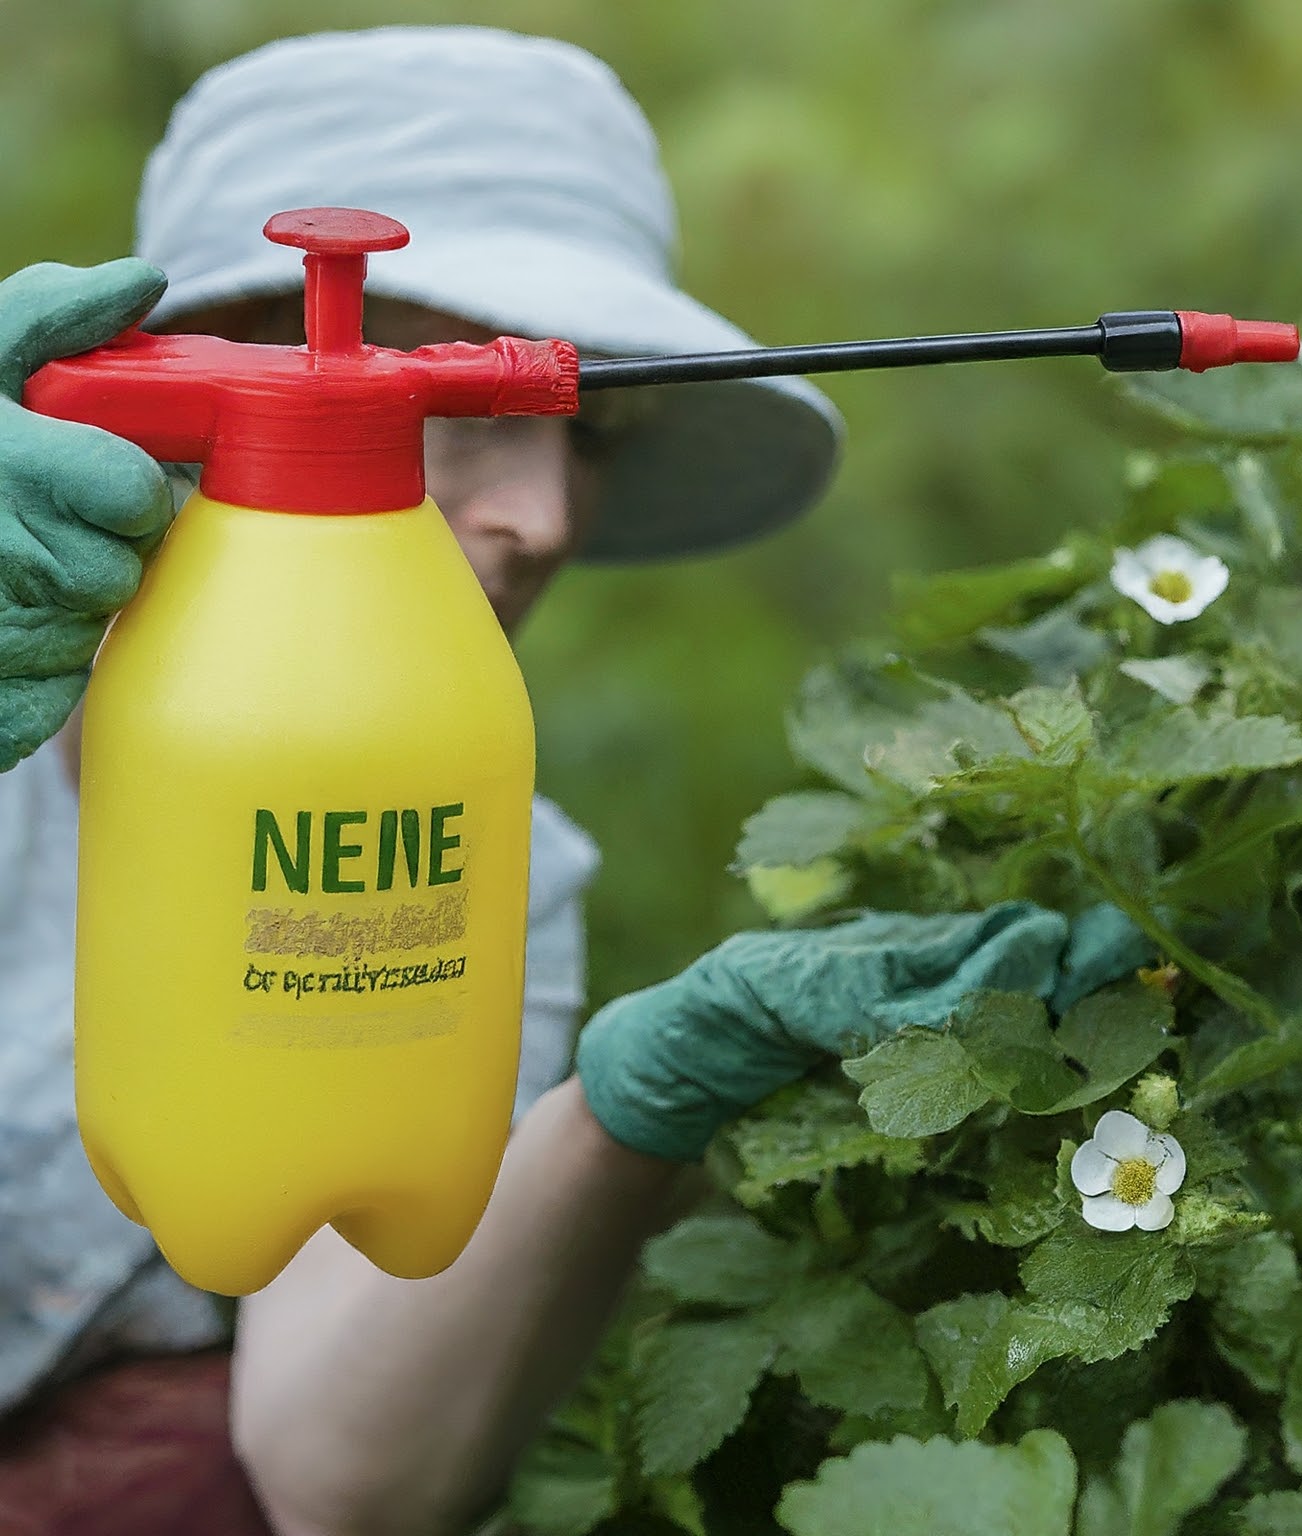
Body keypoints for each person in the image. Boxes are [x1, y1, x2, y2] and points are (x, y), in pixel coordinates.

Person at [0, 26, 1147, 1536]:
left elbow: (337, 1478)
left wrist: (625, 1115)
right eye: (447, 400)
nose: (543, 513)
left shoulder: (482, 862)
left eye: (586, 429)